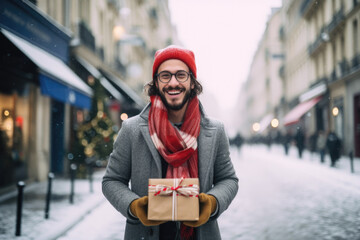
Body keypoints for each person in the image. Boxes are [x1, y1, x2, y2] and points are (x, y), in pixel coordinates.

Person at [102, 45, 239, 240]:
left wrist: (212, 203)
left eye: (181, 75)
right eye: (165, 76)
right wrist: (134, 207)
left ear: (192, 82)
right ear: (156, 83)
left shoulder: (214, 130)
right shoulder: (132, 129)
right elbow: (112, 180)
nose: (173, 83)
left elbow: (228, 180)